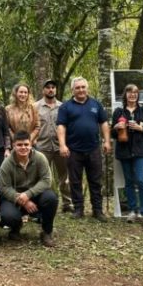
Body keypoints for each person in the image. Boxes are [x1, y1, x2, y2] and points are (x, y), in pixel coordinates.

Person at [56, 77, 111, 221]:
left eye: (83, 87)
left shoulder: (96, 104)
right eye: (77, 87)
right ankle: (78, 209)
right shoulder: (65, 107)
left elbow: (104, 123)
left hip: (93, 149)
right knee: (75, 181)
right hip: (73, 150)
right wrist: (62, 145)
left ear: (87, 88)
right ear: (72, 90)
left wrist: (106, 141)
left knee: (95, 180)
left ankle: (97, 210)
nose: (81, 90)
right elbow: (61, 126)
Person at [0, 131, 58, 246]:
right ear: (14, 146)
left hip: (35, 195)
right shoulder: (6, 164)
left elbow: (46, 180)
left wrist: (28, 194)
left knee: (51, 198)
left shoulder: (40, 158)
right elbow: (4, 187)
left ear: (31, 145)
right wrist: (22, 199)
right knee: (8, 215)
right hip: (15, 198)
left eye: (26, 144)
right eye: (19, 145)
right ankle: (15, 228)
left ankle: (46, 232)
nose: (23, 147)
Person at [112, 84, 143, 228]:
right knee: (129, 181)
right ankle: (132, 210)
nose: (133, 95)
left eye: (136, 92)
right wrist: (115, 128)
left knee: (141, 179)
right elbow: (113, 134)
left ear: (138, 95)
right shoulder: (118, 112)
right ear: (125, 95)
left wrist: (141, 128)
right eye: (130, 92)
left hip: (140, 151)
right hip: (124, 151)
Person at [34, 79, 72, 213]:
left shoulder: (63, 106)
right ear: (43, 90)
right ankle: (43, 203)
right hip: (42, 146)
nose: (51, 90)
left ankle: (67, 203)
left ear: (55, 90)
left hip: (60, 146)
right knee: (42, 177)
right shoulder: (35, 107)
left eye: (53, 87)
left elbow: (68, 126)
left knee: (65, 176)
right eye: (48, 87)